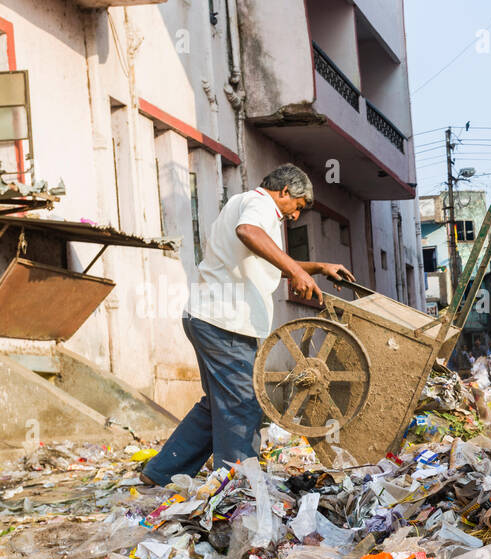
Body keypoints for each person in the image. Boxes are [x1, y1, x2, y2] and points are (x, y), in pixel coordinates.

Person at [143, 164, 354, 486]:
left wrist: (317, 267)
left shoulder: (247, 206)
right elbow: (249, 233)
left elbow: (266, 259)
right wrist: (298, 272)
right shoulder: (259, 205)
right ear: (284, 192)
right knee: (244, 402)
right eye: (296, 207)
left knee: (218, 404)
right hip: (223, 321)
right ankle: (236, 482)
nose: (295, 217)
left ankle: (162, 472)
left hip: (213, 318)